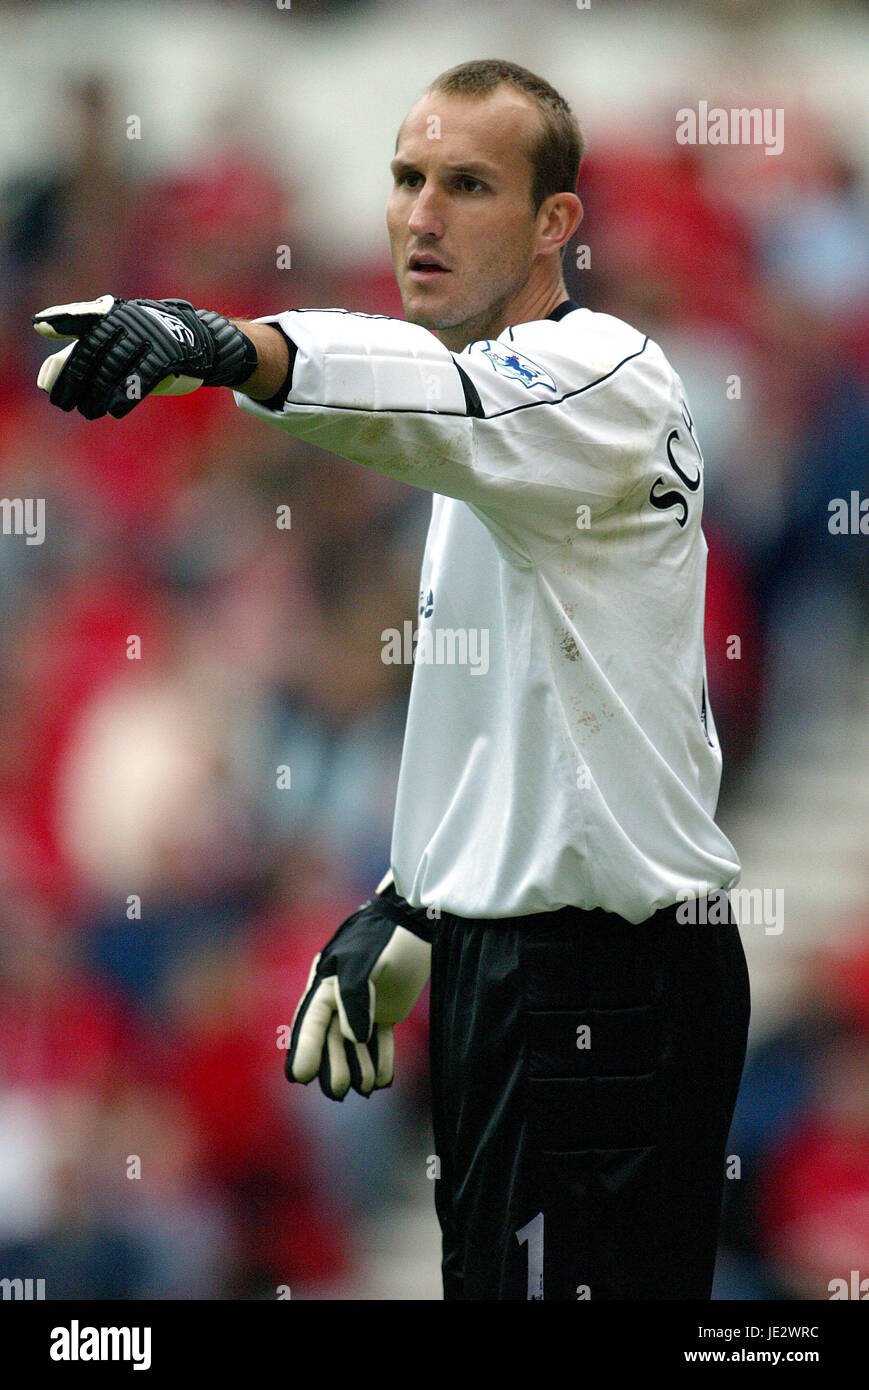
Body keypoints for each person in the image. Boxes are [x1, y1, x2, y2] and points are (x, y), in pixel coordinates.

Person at [33, 58, 750, 1301]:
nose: (420, 213)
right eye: (406, 178)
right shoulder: (499, 442)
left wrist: (219, 343)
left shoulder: (601, 377)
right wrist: (415, 900)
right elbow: (532, 716)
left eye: (467, 185)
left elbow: (419, 397)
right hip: (521, 964)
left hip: (600, 982)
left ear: (553, 224)